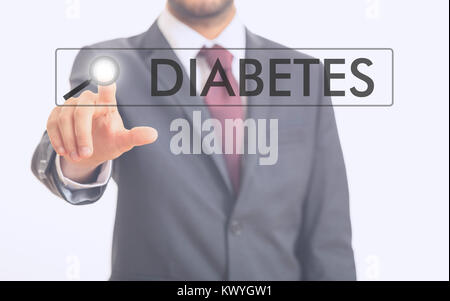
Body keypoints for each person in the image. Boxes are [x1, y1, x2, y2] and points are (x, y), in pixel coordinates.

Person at [32, 0, 356, 280]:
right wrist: (81, 154)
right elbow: (61, 152)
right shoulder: (109, 63)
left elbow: (329, 235)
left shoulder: (303, 74)